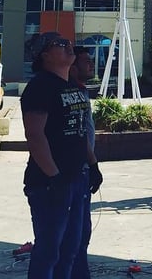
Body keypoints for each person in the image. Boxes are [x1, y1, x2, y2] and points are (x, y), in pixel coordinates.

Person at [21, 32, 101, 279]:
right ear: (45, 55)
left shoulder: (71, 87)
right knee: (49, 251)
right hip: (50, 184)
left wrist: (92, 164)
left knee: (71, 250)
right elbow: (35, 135)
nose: (68, 46)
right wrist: (54, 177)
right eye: (60, 44)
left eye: (68, 43)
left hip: (77, 179)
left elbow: (79, 131)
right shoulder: (40, 87)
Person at [69, 48, 101, 279]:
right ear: (72, 67)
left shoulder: (82, 91)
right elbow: (78, 135)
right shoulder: (69, 93)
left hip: (83, 169)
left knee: (83, 230)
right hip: (74, 171)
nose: (91, 65)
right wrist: (93, 163)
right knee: (74, 232)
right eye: (86, 61)